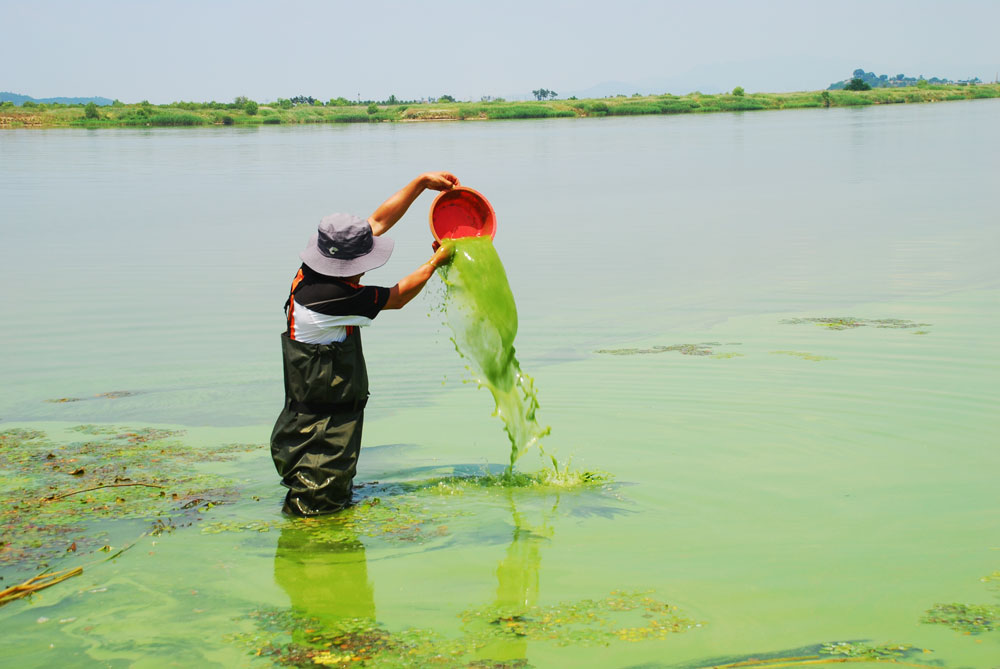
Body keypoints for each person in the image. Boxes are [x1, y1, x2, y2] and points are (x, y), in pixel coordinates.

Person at [270, 172, 458, 516]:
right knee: (315, 507)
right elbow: (398, 297)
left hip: (318, 414)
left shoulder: (310, 272)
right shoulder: (330, 298)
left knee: (331, 501)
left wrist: (419, 184)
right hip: (320, 430)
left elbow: (377, 220)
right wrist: (435, 262)